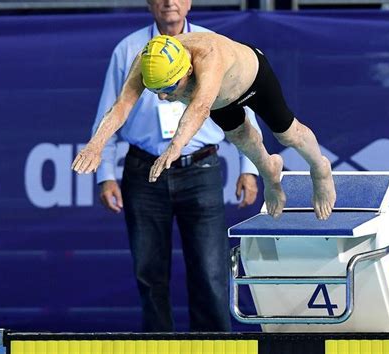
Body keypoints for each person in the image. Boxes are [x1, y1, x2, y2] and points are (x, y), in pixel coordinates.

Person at [81, 0, 261, 332]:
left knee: (210, 272)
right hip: (143, 171)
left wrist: (249, 167)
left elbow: (240, 108)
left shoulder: (211, 44)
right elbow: (111, 109)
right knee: (149, 274)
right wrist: (104, 173)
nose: (169, 2)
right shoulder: (130, 49)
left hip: (201, 169)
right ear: (149, 2)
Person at [72, 32, 336, 220]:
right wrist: (95, 145)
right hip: (221, 101)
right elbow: (121, 106)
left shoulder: (207, 56)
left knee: (288, 133)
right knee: (246, 142)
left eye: (167, 88)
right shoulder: (147, 60)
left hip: (253, 81)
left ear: (187, 71)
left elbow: (198, 110)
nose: (162, 97)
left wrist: (174, 148)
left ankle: (320, 168)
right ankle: (270, 172)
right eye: (155, 90)